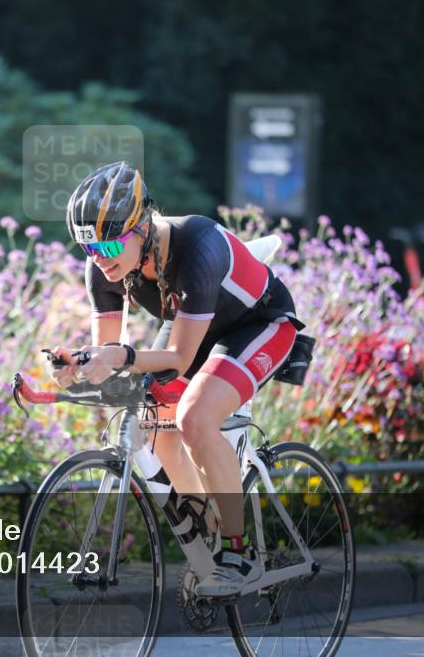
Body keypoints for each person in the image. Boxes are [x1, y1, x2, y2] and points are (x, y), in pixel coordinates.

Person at [50, 161, 304, 597]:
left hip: (258, 325)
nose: (98, 259)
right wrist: (80, 366)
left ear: (142, 227)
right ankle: (209, 527)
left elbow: (179, 357)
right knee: (154, 425)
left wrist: (120, 356)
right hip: (194, 325)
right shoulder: (104, 268)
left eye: (107, 246)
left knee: (195, 418)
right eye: (87, 248)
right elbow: (109, 355)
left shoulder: (197, 246)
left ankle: (238, 553)